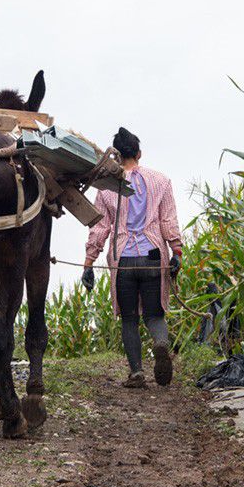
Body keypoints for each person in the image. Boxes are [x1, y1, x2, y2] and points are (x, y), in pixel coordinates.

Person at [82, 127, 183, 388]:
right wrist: (177, 251)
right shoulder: (161, 181)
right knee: (154, 315)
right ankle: (160, 343)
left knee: (129, 318)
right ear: (139, 153)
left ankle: (137, 373)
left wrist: (88, 263)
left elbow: (99, 228)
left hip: (123, 260)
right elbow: (168, 220)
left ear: (116, 158)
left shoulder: (106, 188)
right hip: (153, 257)